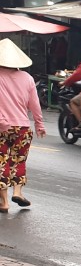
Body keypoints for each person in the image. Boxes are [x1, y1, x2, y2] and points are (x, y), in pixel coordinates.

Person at [0, 39, 45, 213]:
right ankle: (18, 192)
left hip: (2, 127)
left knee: (2, 161)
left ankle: (4, 202)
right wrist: (39, 124)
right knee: (19, 159)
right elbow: (35, 104)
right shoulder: (27, 78)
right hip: (23, 127)